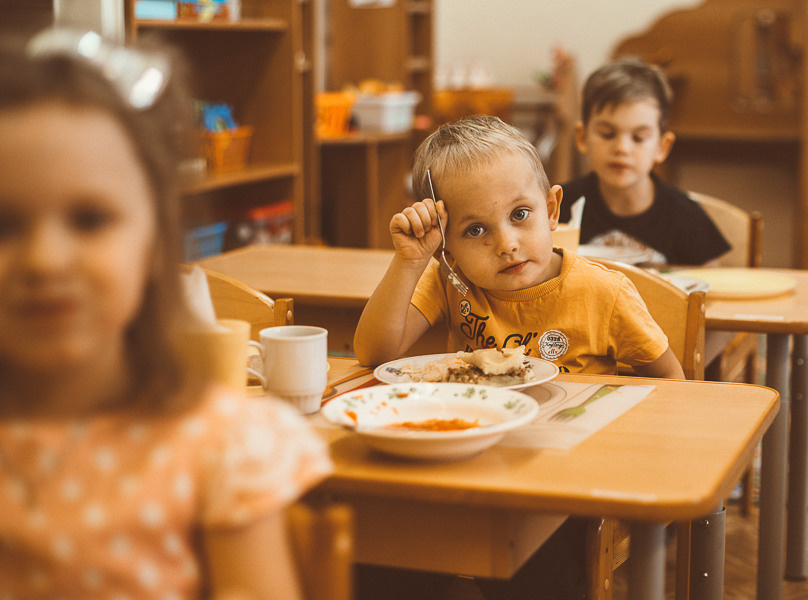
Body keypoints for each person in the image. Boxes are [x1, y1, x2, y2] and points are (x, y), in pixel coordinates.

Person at [0, 29, 331, 599]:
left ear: (156, 242)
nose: (45, 260)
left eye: (89, 220)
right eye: (4, 224)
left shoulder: (218, 446)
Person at [353, 114, 683, 600]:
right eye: (474, 230)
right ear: (446, 245)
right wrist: (410, 261)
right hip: (466, 467)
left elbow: (673, 385)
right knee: (379, 555)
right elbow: (373, 352)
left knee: (540, 571)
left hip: (568, 482)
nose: (505, 243)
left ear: (552, 209)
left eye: (520, 215)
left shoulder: (603, 293)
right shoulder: (453, 282)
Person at [559, 57, 730, 266]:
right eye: (607, 134)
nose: (622, 148)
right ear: (582, 137)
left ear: (662, 147)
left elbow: (709, 286)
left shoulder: (686, 217)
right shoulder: (559, 207)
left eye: (639, 137)